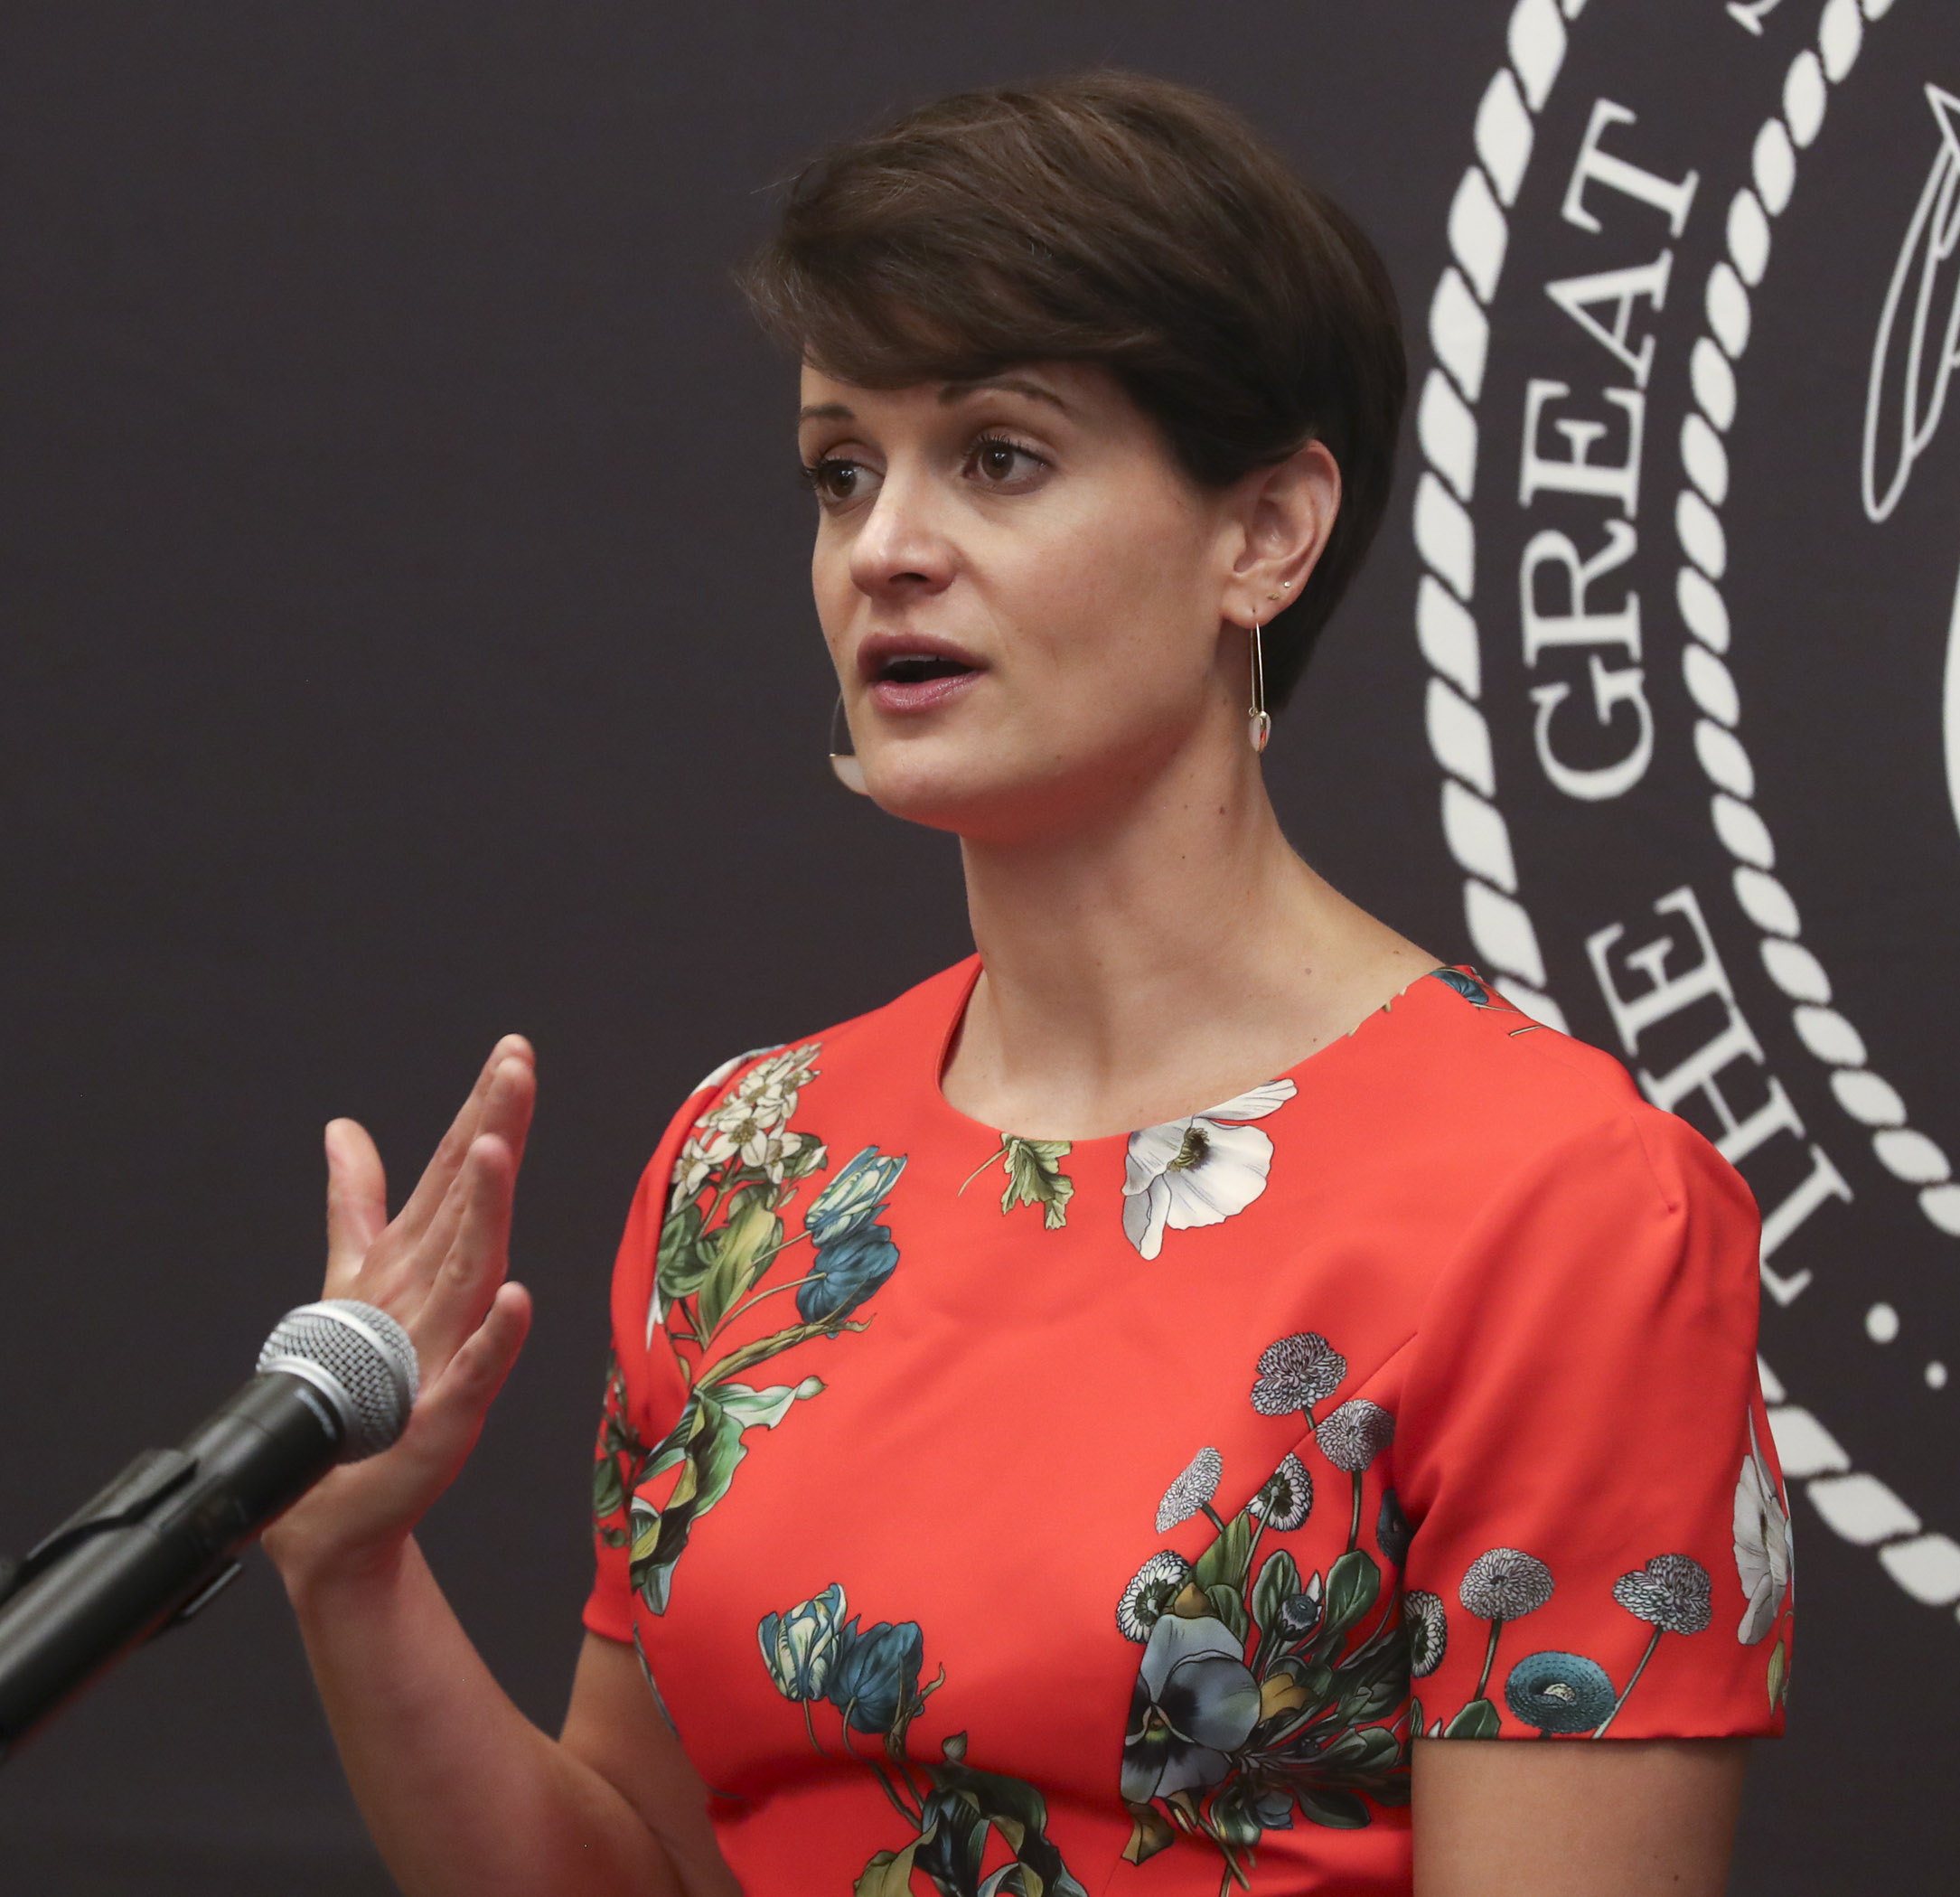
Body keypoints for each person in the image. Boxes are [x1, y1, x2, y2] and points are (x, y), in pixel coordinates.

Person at [261, 70, 1790, 1897]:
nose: (886, 546)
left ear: (1266, 534)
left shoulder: (1566, 1212)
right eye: (844, 468)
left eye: (998, 454)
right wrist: (355, 1575)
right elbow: (640, 1876)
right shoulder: (753, 1164)